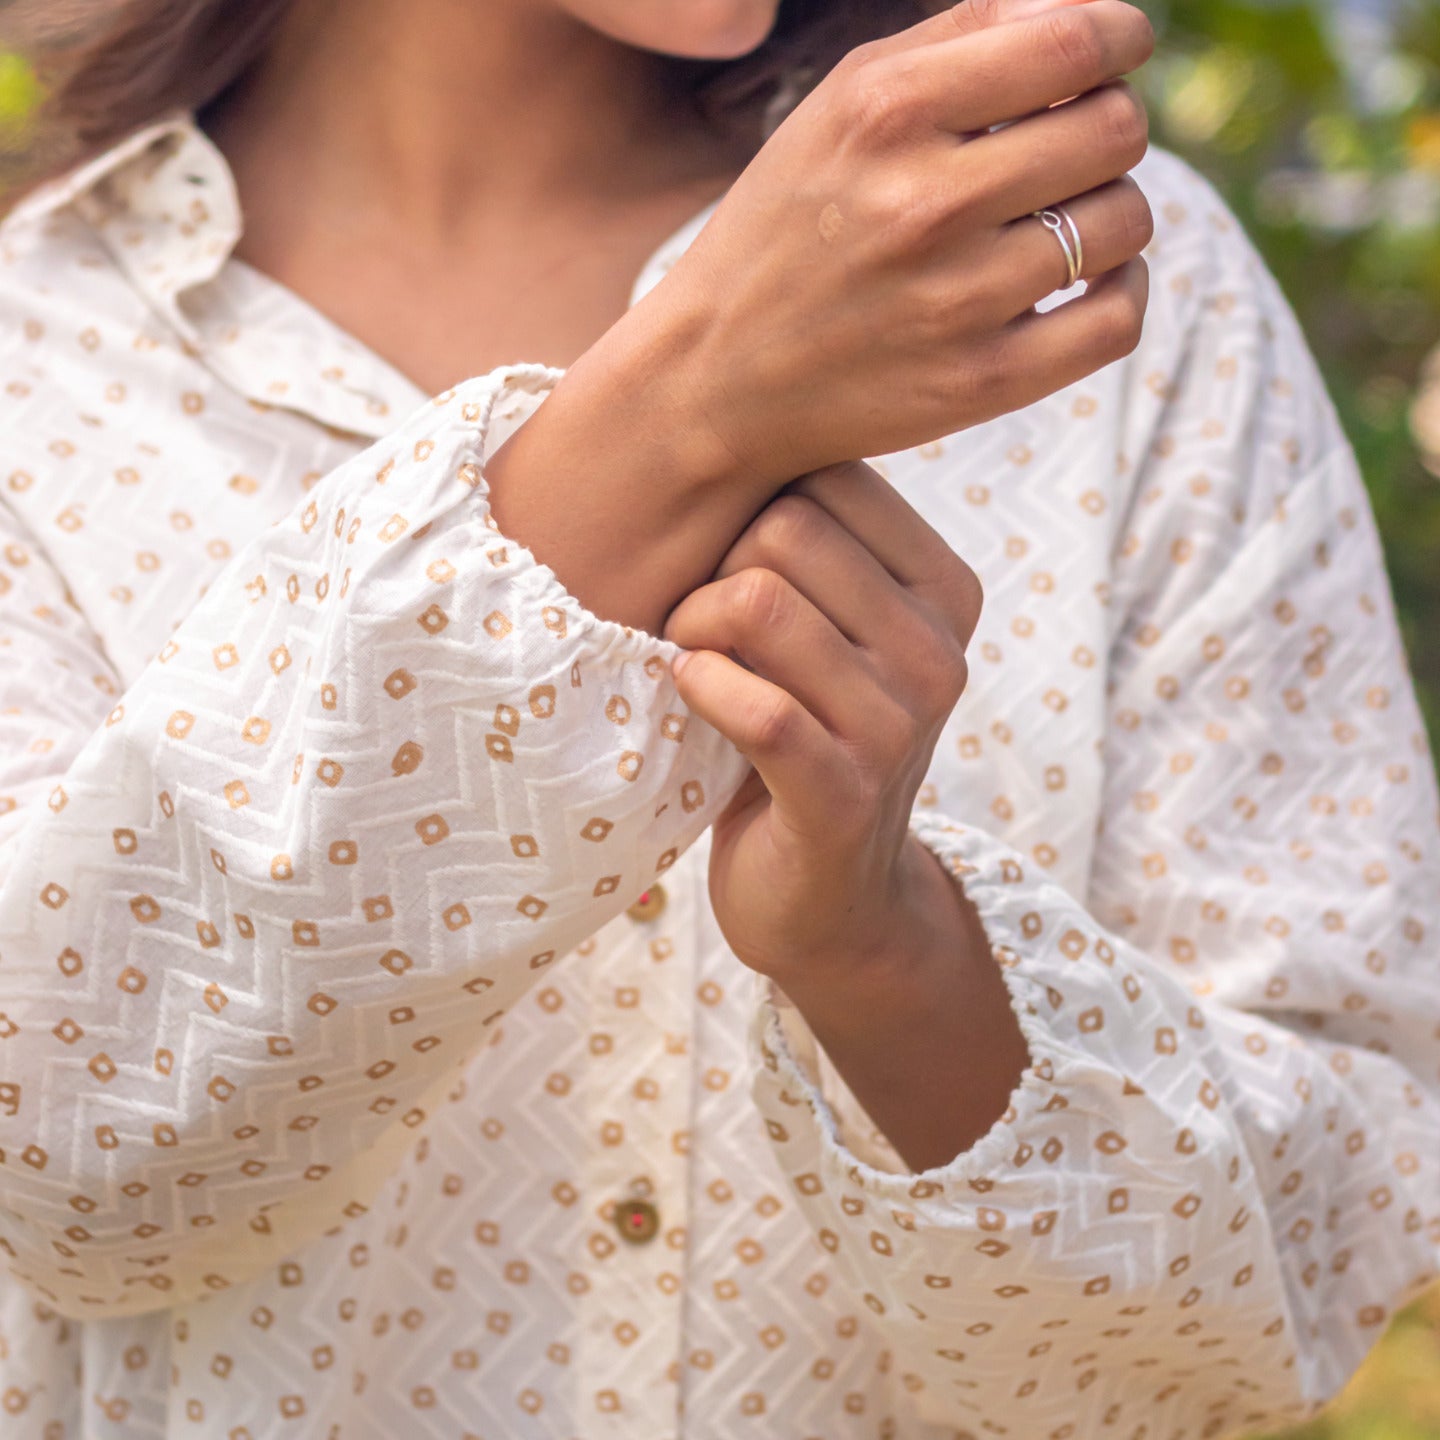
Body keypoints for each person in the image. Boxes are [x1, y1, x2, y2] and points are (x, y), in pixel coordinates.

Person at [0, 0, 1434, 1435]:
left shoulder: (1076, 270)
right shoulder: (36, 360)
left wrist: (895, 963)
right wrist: (682, 407)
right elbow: (62, 1167)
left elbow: (1314, 1272)